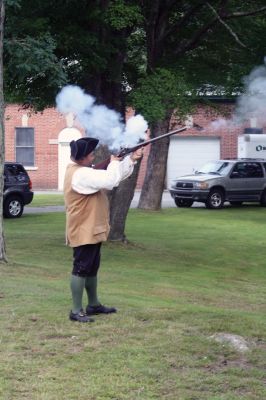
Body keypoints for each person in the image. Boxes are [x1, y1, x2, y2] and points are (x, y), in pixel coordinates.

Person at [63, 137, 143, 323]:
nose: (93, 155)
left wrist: (130, 159)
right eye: (90, 153)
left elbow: (113, 176)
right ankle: (76, 311)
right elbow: (110, 181)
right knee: (81, 268)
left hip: (91, 227)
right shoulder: (80, 174)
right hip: (83, 227)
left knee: (92, 267)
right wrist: (115, 161)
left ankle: (93, 305)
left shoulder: (85, 171)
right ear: (82, 157)